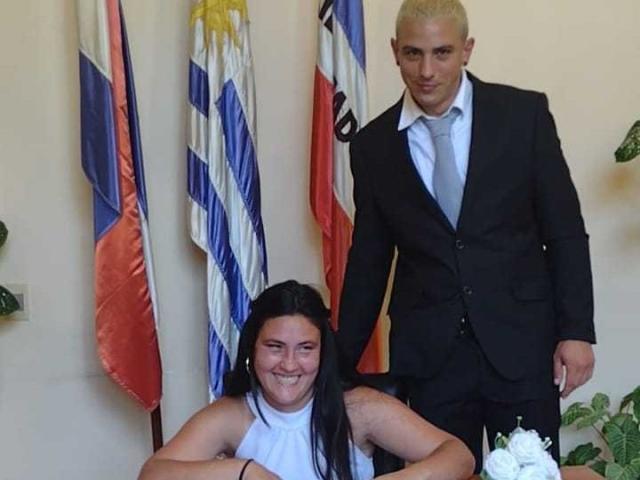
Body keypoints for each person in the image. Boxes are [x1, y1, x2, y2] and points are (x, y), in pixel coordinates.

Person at [337, 0, 596, 472]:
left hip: (520, 346)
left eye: (442, 52)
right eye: (413, 53)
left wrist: (576, 332)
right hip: (430, 357)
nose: (427, 71)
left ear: (466, 50)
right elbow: (369, 263)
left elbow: (564, 232)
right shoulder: (373, 146)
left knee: (530, 474)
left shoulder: (523, 116)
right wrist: (338, 366)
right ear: (395, 51)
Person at [138, 280, 474, 480]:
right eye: (274, 347)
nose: (289, 364)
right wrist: (244, 472)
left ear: (323, 353)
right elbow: (153, 474)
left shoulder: (359, 408)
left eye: (305, 348)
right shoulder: (232, 414)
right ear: (252, 349)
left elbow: (459, 455)